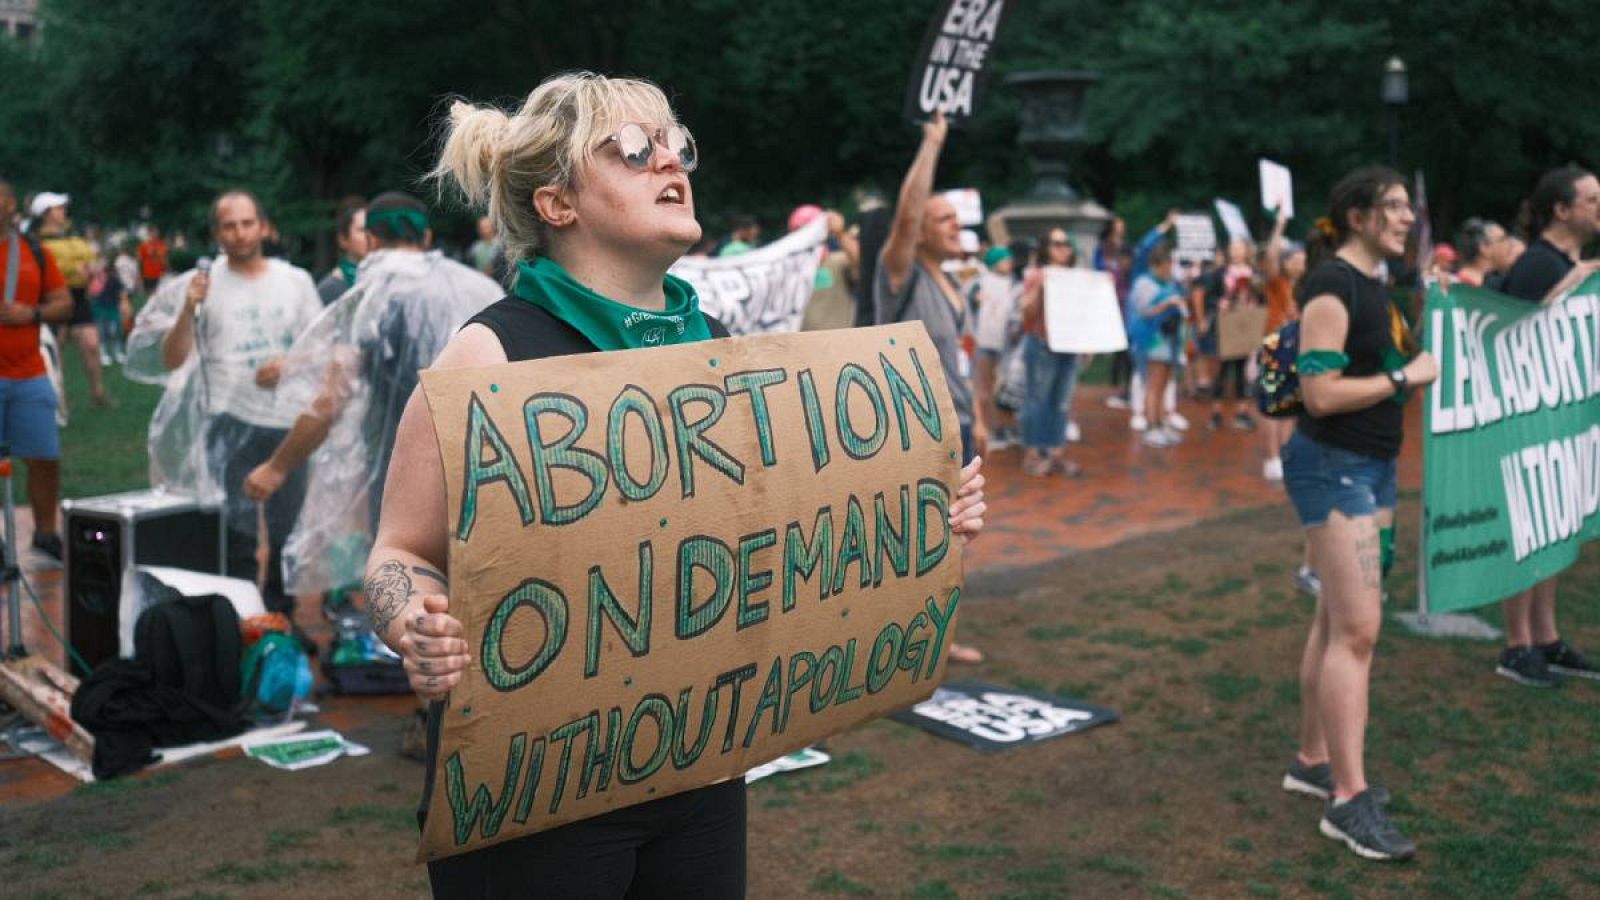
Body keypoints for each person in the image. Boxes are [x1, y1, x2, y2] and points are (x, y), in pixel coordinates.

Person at [365, 72, 987, 897]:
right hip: (534, 795)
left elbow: (789, 529)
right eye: (634, 148)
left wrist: (916, 523)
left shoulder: (723, 350)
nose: (672, 161)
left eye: (675, 143)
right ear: (557, 205)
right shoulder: (490, 357)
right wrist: (411, 617)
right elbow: (395, 552)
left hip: (695, 768)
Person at [1280, 166, 1438, 862]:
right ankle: (1347, 799)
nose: (1407, 218)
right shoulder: (1332, 285)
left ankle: (1312, 760)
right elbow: (1318, 394)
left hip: (1370, 467)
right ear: (1358, 217)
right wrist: (1407, 377)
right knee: (1360, 632)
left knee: (1334, 620)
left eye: (1408, 207)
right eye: (1394, 207)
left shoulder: (1378, 285)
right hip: (1332, 466)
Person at [145, 190, 323, 616]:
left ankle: (282, 618)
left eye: (247, 223)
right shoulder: (202, 287)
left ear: (263, 226)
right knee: (236, 533)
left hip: (287, 422)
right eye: (229, 225)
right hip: (227, 420)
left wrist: (289, 363)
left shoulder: (294, 280)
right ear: (216, 233)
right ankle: (240, 616)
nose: (240, 233)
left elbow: (321, 347)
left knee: (286, 530)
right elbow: (172, 359)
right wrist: (188, 310)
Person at [1489, 165, 1600, 688]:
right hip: (1529, 419)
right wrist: (1570, 287)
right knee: (1527, 532)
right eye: (1592, 200)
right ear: (1561, 210)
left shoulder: (1569, 261)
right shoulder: (1537, 265)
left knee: (1553, 530)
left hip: (1564, 417)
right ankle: (1516, 645)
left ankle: (1546, 638)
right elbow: (1507, 337)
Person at [0, 178, 74, 561]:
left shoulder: (33, 252)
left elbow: (63, 303)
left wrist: (31, 314)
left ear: (12, 205)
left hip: (29, 374)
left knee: (45, 457)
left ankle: (46, 533)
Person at [30, 192, 109, 408]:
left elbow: (91, 260)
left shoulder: (74, 238)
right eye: (58, 207)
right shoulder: (36, 242)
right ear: (45, 213)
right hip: (52, 297)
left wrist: (91, 271)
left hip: (78, 295)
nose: (63, 210)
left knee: (91, 343)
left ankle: (98, 392)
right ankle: (59, 397)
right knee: (56, 347)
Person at [1017, 228, 1084, 477]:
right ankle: (1033, 454)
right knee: (1037, 399)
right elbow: (1026, 314)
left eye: (1067, 243)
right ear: (1046, 247)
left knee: (1062, 402)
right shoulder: (1036, 275)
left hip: (1068, 346)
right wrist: (1041, 287)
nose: (1063, 248)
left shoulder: (1076, 277)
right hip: (1042, 343)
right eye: (1057, 243)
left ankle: (1055, 453)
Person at [1258, 208, 1305, 480]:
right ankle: (1272, 457)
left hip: (1297, 347)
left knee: (1290, 405)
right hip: (1275, 347)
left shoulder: (1307, 287)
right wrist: (1280, 225)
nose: (1300, 263)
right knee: (1272, 405)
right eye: (1295, 259)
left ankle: (1286, 455)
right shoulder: (1278, 283)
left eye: (1303, 259)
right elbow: (1272, 257)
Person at [1127, 246, 1187, 448]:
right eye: (1166, 265)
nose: (1170, 269)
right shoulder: (1144, 283)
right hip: (1153, 339)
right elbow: (1144, 311)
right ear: (1156, 265)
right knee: (1154, 383)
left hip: (1170, 339)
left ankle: (1161, 423)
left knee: (1164, 383)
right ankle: (1151, 425)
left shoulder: (1170, 283)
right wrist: (1167, 303)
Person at [971, 245, 1019, 448]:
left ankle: (1003, 427)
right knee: (984, 388)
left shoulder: (1014, 283)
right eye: (1003, 259)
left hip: (1006, 343)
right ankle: (985, 427)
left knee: (1004, 388)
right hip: (983, 341)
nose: (1008, 262)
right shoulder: (980, 282)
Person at [793, 204, 860, 332]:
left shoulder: (838, 261)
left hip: (841, 344)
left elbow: (862, 264)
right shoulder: (790, 269)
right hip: (803, 347)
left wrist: (840, 233)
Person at [316, 197, 369, 306]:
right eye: (362, 230)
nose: (369, 236)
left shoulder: (387, 282)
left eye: (373, 229)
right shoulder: (330, 289)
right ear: (343, 239)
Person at [466, 215, 505, 281]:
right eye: (481, 227)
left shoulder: (502, 246)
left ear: (493, 227)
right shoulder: (475, 247)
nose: (483, 230)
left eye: (486, 227)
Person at [138, 226, 169, 293]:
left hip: (160, 274)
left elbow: (165, 258)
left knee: (159, 294)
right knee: (149, 294)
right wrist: (140, 276)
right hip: (147, 274)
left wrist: (166, 269)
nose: (154, 234)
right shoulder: (143, 245)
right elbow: (140, 261)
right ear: (149, 233)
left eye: (156, 232)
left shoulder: (162, 244)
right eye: (152, 232)